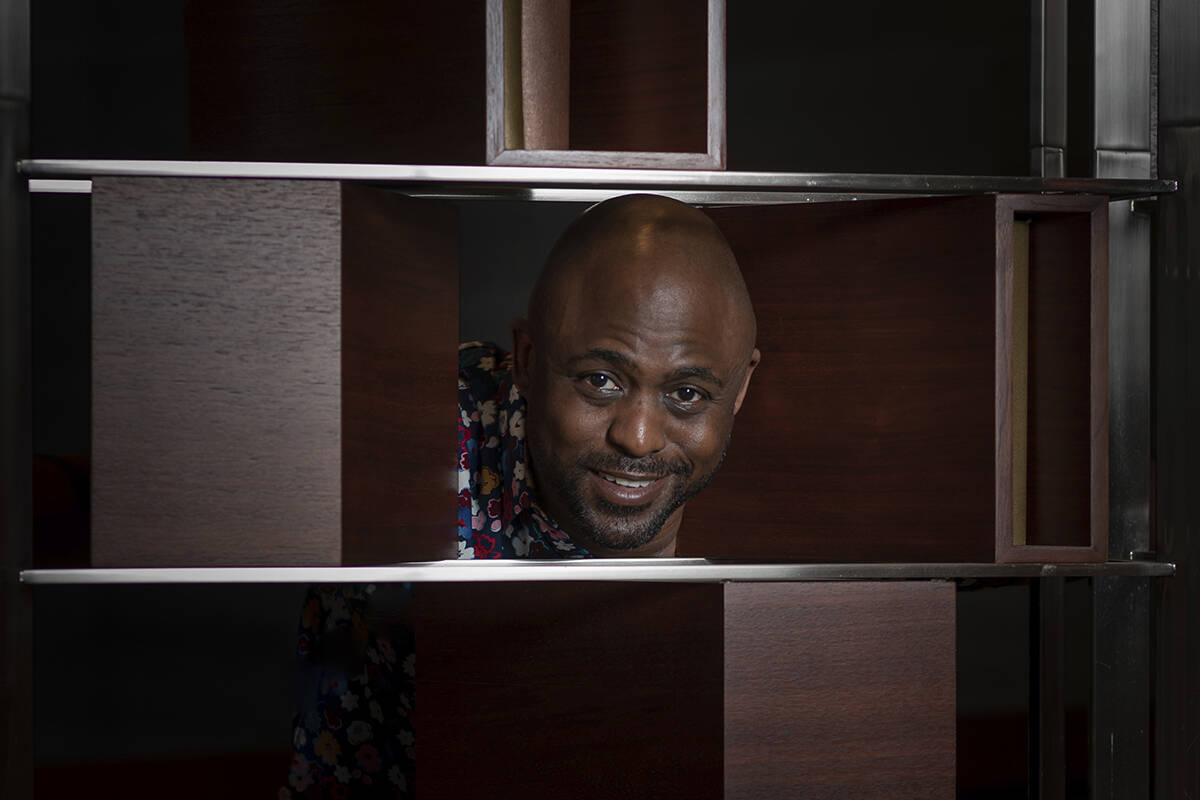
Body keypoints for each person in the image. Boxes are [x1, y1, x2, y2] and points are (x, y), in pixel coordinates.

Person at [281, 194, 760, 798]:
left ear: (739, 390)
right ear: (529, 361)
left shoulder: (806, 511)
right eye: (601, 381)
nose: (638, 438)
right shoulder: (404, 448)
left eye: (687, 394)